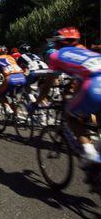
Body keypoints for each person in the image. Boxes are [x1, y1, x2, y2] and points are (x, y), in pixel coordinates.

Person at [33, 27, 101, 164]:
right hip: (92, 81)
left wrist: (35, 104)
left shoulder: (55, 55)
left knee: (70, 116)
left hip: (93, 86)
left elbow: (47, 86)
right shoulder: (88, 51)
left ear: (57, 43)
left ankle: (90, 155)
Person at [0, 46, 26, 113]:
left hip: (10, 78)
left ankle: (7, 108)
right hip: (22, 76)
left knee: (1, 93)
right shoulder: (11, 57)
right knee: (13, 96)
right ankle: (16, 114)